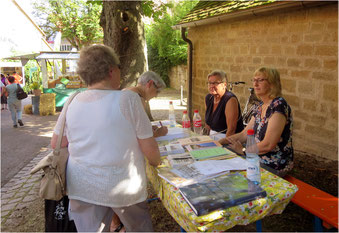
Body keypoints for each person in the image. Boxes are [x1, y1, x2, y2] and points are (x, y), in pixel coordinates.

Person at [50, 44, 161, 232]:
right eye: (119, 68)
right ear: (111, 71)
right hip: (122, 187)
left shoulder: (72, 100)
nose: (120, 72)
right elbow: (149, 148)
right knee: (140, 226)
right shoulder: (128, 99)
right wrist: (157, 162)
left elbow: (57, 143)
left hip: (81, 185)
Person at [219, 67, 293, 177]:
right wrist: (221, 141)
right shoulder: (260, 107)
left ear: (272, 83)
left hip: (273, 164)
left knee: (230, 174)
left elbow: (268, 144)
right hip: (255, 157)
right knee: (222, 156)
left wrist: (243, 150)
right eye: (254, 80)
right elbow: (244, 134)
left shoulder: (278, 105)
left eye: (260, 80)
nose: (255, 84)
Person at [124, 71, 168, 138]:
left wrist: (148, 127)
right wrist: (158, 133)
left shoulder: (126, 90)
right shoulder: (138, 98)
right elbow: (142, 135)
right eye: (157, 91)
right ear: (150, 84)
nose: (156, 95)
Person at [204, 70, 244, 137]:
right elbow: (208, 124)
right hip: (212, 138)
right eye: (209, 83)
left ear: (224, 85)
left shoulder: (230, 100)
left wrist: (220, 145)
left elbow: (231, 130)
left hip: (227, 139)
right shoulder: (208, 98)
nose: (211, 86)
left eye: (215, 83)